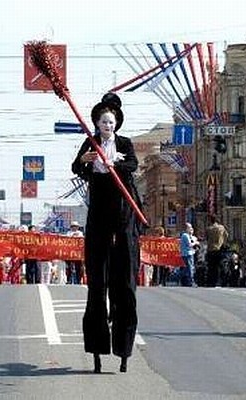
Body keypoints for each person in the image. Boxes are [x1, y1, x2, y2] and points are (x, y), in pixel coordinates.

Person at [71, 92, 144, 373]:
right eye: (103, 121)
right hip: (99, 218)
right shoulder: (90, 143)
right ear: (97, 124)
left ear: (116, 123)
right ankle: (97, 347)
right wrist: (87, 161)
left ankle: (124, 347)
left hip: (124, 217)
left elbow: (133, 164)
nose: (108, 126)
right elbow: (77, 167)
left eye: (111, 121)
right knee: (97, 286)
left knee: (125, 285)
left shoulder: (124, 144)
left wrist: (115, 164)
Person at [205, 215, 228, 286]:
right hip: (219, 249)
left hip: (211, 250)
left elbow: (207, 238)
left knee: (211, 267)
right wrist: (223, 242)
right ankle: (222, 281)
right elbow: (226, 236)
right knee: (221, 266)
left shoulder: (209, 229)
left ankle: (212, 282)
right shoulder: (222, 228)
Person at [179, 222, 199, 287]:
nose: (191, 229)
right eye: (189, 227)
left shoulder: (185, 235)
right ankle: (191, 281)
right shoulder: (185, 235)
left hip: (185, 254)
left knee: (186, 269)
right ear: (186, 228)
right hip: (188, 254)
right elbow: (189, 244)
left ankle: (185, 281)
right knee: (190, 268)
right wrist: (195, 243)